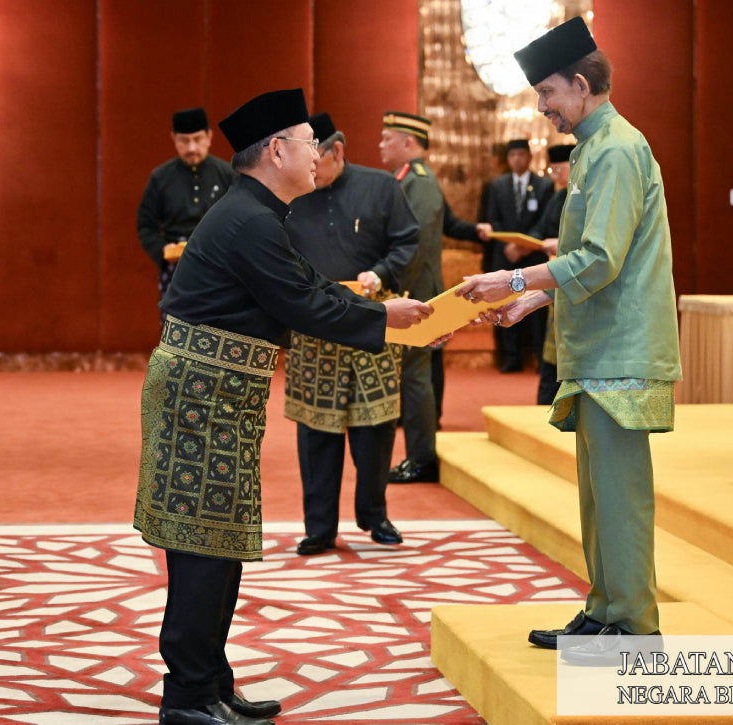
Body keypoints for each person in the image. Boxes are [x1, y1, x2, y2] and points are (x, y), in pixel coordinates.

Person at [133, 89, 433, 725]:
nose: (318, 156)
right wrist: (388, 319)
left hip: (220, 395)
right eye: (307, 144)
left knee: (222, 543)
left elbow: (309, 287)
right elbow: (307, 306)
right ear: (276, 151)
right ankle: (187, 697)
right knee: (201, 545)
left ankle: (211, 682)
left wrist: (386, 312)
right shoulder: (247, 219)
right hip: (199, 397)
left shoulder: (259, 214)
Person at [454, 17, 682, 664]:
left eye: (549, 94)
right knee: (596, 493)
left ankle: (635, 629)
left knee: (620, 496)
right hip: (599, 347)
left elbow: (602, 259)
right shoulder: (593, 147)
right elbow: (590, 259)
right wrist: (531, 298)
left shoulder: (614, 150)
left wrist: (513, 274)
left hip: (621, 349)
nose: (544, 109)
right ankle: (606, 609)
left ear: (581, 86)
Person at [282, 112, 420, 556]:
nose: (308, 173)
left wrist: (380, 274)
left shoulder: (380, 187)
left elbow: (407, 240)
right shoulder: (292, 196)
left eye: (314, 163)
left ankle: (374, 516)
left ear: (336, 152)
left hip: (373, 324)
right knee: (316, 435)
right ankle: (319, 527)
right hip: (315, 329)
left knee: (375, 428)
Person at [378, 111, 492, 484]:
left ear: (408, 143)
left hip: (416, 293)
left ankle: (421, 458)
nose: (381, 145)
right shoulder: (410, 179)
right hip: (412, 290)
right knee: (415, 375)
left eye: (387, 139)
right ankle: (420, 453)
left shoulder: (419, 181)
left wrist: (394, 284)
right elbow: (443, 226)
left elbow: (415, 242)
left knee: (415, 377)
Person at [137, 107, 237, 319]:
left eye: (197, 139)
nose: (191, 147)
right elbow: (145, 225)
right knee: (176, 332)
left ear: (209, 137)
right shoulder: (160, 177)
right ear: (173, 139)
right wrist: (163, 252)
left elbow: (242, 221)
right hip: (176, 269)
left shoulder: (227, 174)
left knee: (218, 333)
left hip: (221, 267)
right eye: (184, 141)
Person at [484, 138, 554, 372]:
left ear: (529, 157)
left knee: (535, 310)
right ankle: (511, 357)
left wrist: (525, 246)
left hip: (533, 257)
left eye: (521, 155)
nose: (517, 159)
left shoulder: (544, 186)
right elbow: (493, 219)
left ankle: (537, 357)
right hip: (504, 255)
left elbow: (545, 221)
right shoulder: (497, 185)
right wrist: (509, 245)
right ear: (507, 159)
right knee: (504, 304)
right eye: (512, 156)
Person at [528, 143, 574, 405]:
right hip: (552, 281)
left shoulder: (583, 196)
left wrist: (560, 244)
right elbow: (540, 228)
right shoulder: (557, 197)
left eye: (560, 169)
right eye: (552, 170)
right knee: (550, 358)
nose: (555, 175)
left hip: (571, 281)